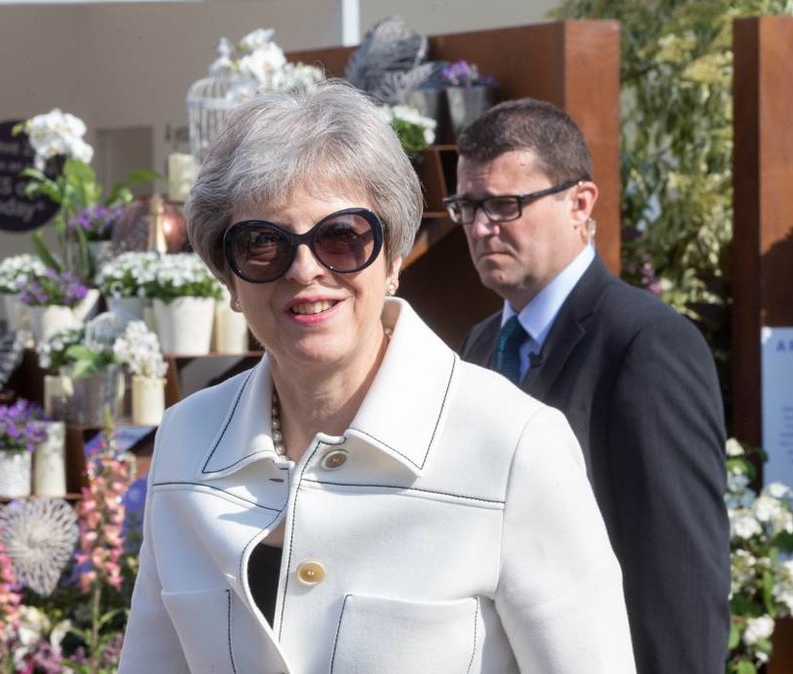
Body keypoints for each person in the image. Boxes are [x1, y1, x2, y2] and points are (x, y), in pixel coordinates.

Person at [119, 82, 635, 673]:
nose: (306, 270)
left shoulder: (513, 445)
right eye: (264, 244)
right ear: (229, 279)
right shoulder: (188, 439)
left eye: (342, 237)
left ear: (393, 259)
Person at [453, 98, 729, 674]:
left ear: (580, 204)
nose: (481, 228)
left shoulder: (647, 344)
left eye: (505, 205)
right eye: (468, 206)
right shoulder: (478, 347)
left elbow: (679, 580)